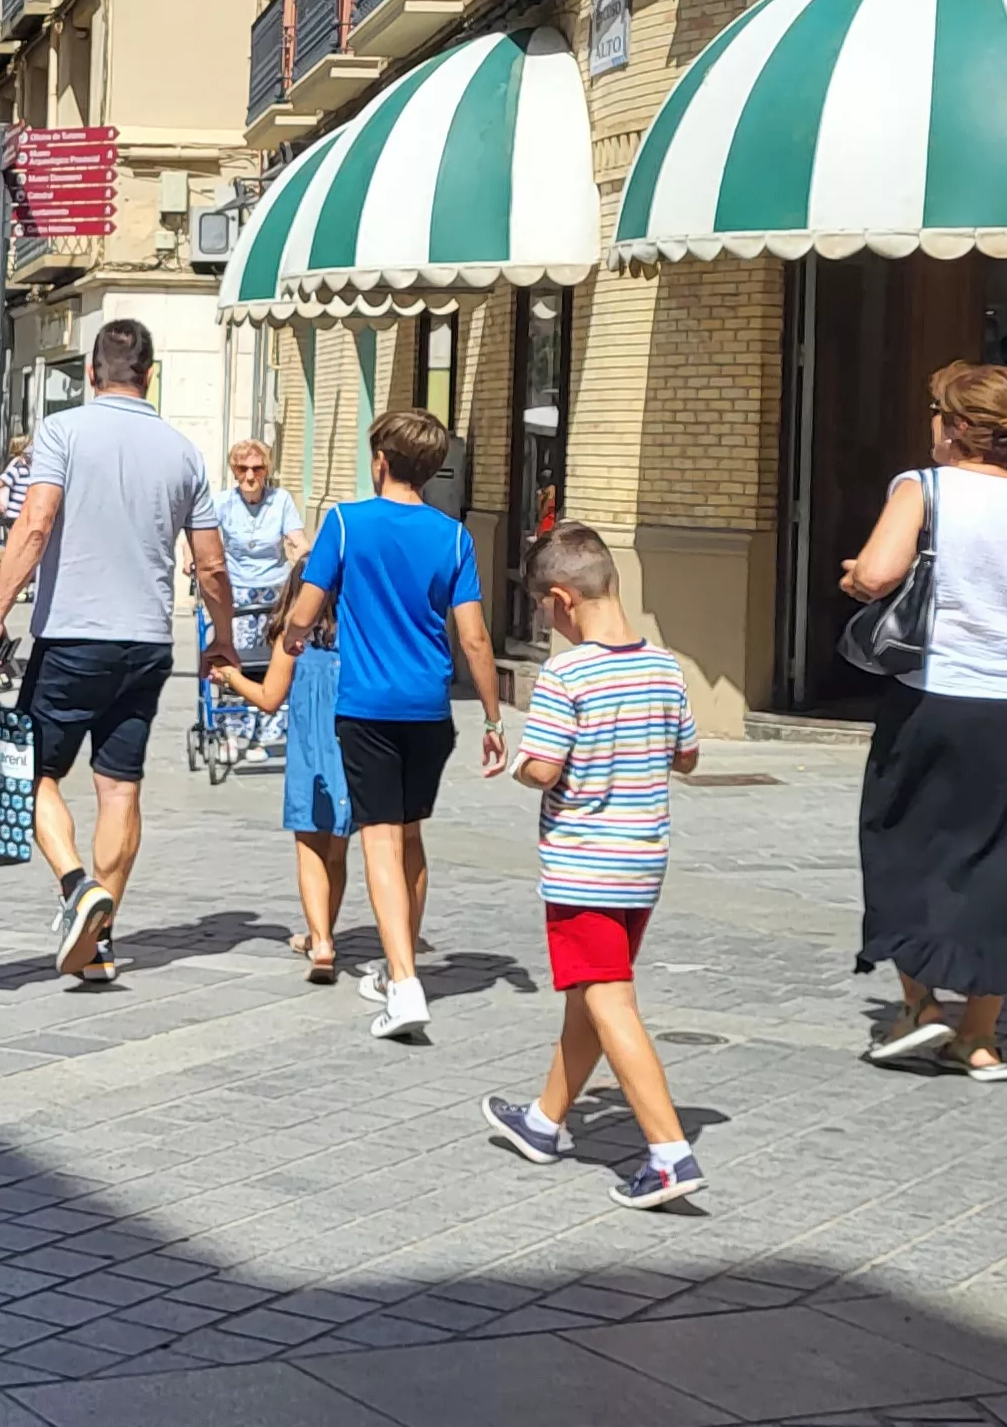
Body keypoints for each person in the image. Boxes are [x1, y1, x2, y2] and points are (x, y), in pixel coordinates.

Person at [844, 362, 1007, 1084]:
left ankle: (920, 1007)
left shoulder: (924, 487)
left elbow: (881, 575)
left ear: (954, 430)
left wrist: (857, 575)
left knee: (903, 843)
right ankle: (981, 1038)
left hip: (940, 695)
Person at [227, 409, 507, 1034]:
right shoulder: (454, 537)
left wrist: (294, 641)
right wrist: (493, 717)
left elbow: (305, 606)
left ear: (380, 461)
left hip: (367, 706)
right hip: (429, 710)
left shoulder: (346, 524)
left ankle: (404, 986)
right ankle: (395, 961)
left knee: (378, 837)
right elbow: (476, 639)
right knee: (410, 838)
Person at [0, 321, 233, 983]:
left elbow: (34, 526)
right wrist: (224, 638)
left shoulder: (63, 434)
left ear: (92, 373)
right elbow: (209, 566)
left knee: (29, 774)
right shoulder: (182, 452)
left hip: (71, 636)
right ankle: (101, 941)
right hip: (147, 642)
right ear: (150, 374)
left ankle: (75, 888)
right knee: (119, 787)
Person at [482, 523, 709, 1209]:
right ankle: (545, 1121)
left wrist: (519, 765)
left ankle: (668, 1154)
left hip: (585, 864)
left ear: (561, 600)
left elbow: (546, 766)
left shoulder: (566, 673)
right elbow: (687, 757)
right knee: (590, 992)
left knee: (609, 999)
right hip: (643, 862)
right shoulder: (665, 666)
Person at [214, 440, 307, 758]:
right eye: (243, 469)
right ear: (234, 471)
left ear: (267, 470)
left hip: (275, 593)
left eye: (257, 468)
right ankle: (231, 732)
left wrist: (307, 557)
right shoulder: (223, 502)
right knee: (237, 660)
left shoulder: (280, 500)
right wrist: (192, 560)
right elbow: (204, 538)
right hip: (237, 593)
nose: (250, 475)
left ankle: (264, 735)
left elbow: (295, 537)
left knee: (274, 661)